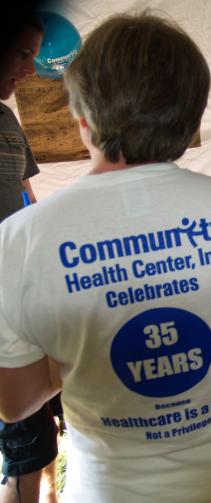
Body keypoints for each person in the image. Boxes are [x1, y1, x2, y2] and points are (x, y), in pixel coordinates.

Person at [0, 12, 211, 502]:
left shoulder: (21, 239)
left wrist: (85, 352)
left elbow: (14, 401)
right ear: (192, 117)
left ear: (83, 118)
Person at [0, 13, 61, 503]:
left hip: (21, 296)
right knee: (21, 440)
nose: (31, 69)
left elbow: (26, 198)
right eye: (22, 53)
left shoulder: (7, 120)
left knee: (36, 443)